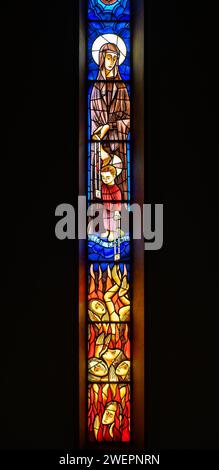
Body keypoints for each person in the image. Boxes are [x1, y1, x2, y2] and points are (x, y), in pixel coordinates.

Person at [90, 42, 130, 200]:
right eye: (108, 57)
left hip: (118, 145)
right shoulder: (95, 89)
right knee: (101, 189)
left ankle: (119, 219)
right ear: (101, 58)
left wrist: (109, 126)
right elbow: (93, 122)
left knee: (117, 189)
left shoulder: (121, 88)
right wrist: (99, 143)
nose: (112, 61)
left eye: (115, 58)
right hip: (100, 147)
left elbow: (127, 119)